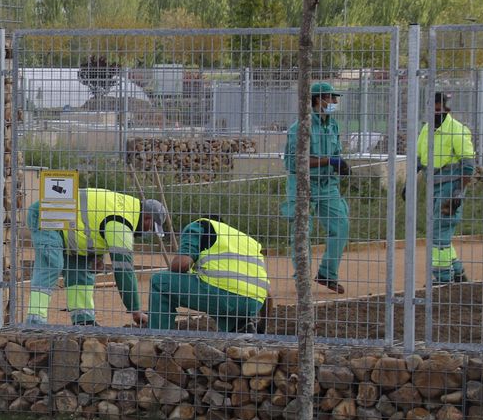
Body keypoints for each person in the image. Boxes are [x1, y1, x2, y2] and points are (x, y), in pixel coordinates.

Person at [25, 190, 169, 327]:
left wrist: (97, 255)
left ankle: (84, 321)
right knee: (52, 265)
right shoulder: (122, 222)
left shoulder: (127, 210)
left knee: (82, 271)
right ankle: (35, 321)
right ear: (147, 217)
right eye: (151, 226)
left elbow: (94, 222)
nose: (148, 231)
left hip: (70, 228)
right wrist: (135, 310)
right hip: (48, 214)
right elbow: (124, 270)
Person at [147, 217, 270, 333]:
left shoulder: (199, 226)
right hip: (254, 303)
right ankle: (240, 329)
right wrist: (262, 327)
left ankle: (158, 337)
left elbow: (181, 264)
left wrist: (178, 267)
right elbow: (268, 295)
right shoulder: (246, 241)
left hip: (223, 296)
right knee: (220, 289)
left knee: (159, 281)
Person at [284, 81, 350, 294]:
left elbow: (335, 152)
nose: (335, 102)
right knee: (302, 231)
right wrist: (328, 160)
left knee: (340, 225)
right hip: (303, 184)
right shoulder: (300, 128)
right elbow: (294, 163)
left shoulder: (333, 125)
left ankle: (327, 274)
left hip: (327, 184)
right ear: (318, 99)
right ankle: (301, 278)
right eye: (331, 97)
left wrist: (339, 164)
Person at [416, 91, 476, 285]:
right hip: (433, 185)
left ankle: (442, 279)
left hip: (450, 187)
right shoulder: (426, 130)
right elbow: (419, 158)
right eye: (432, 109)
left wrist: (459, 192)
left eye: (438, 109)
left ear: (446, 109)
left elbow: (468, 166)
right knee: (441, 231)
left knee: (438, 232)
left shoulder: (457, 130)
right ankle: (457, 273)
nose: (435, 113)